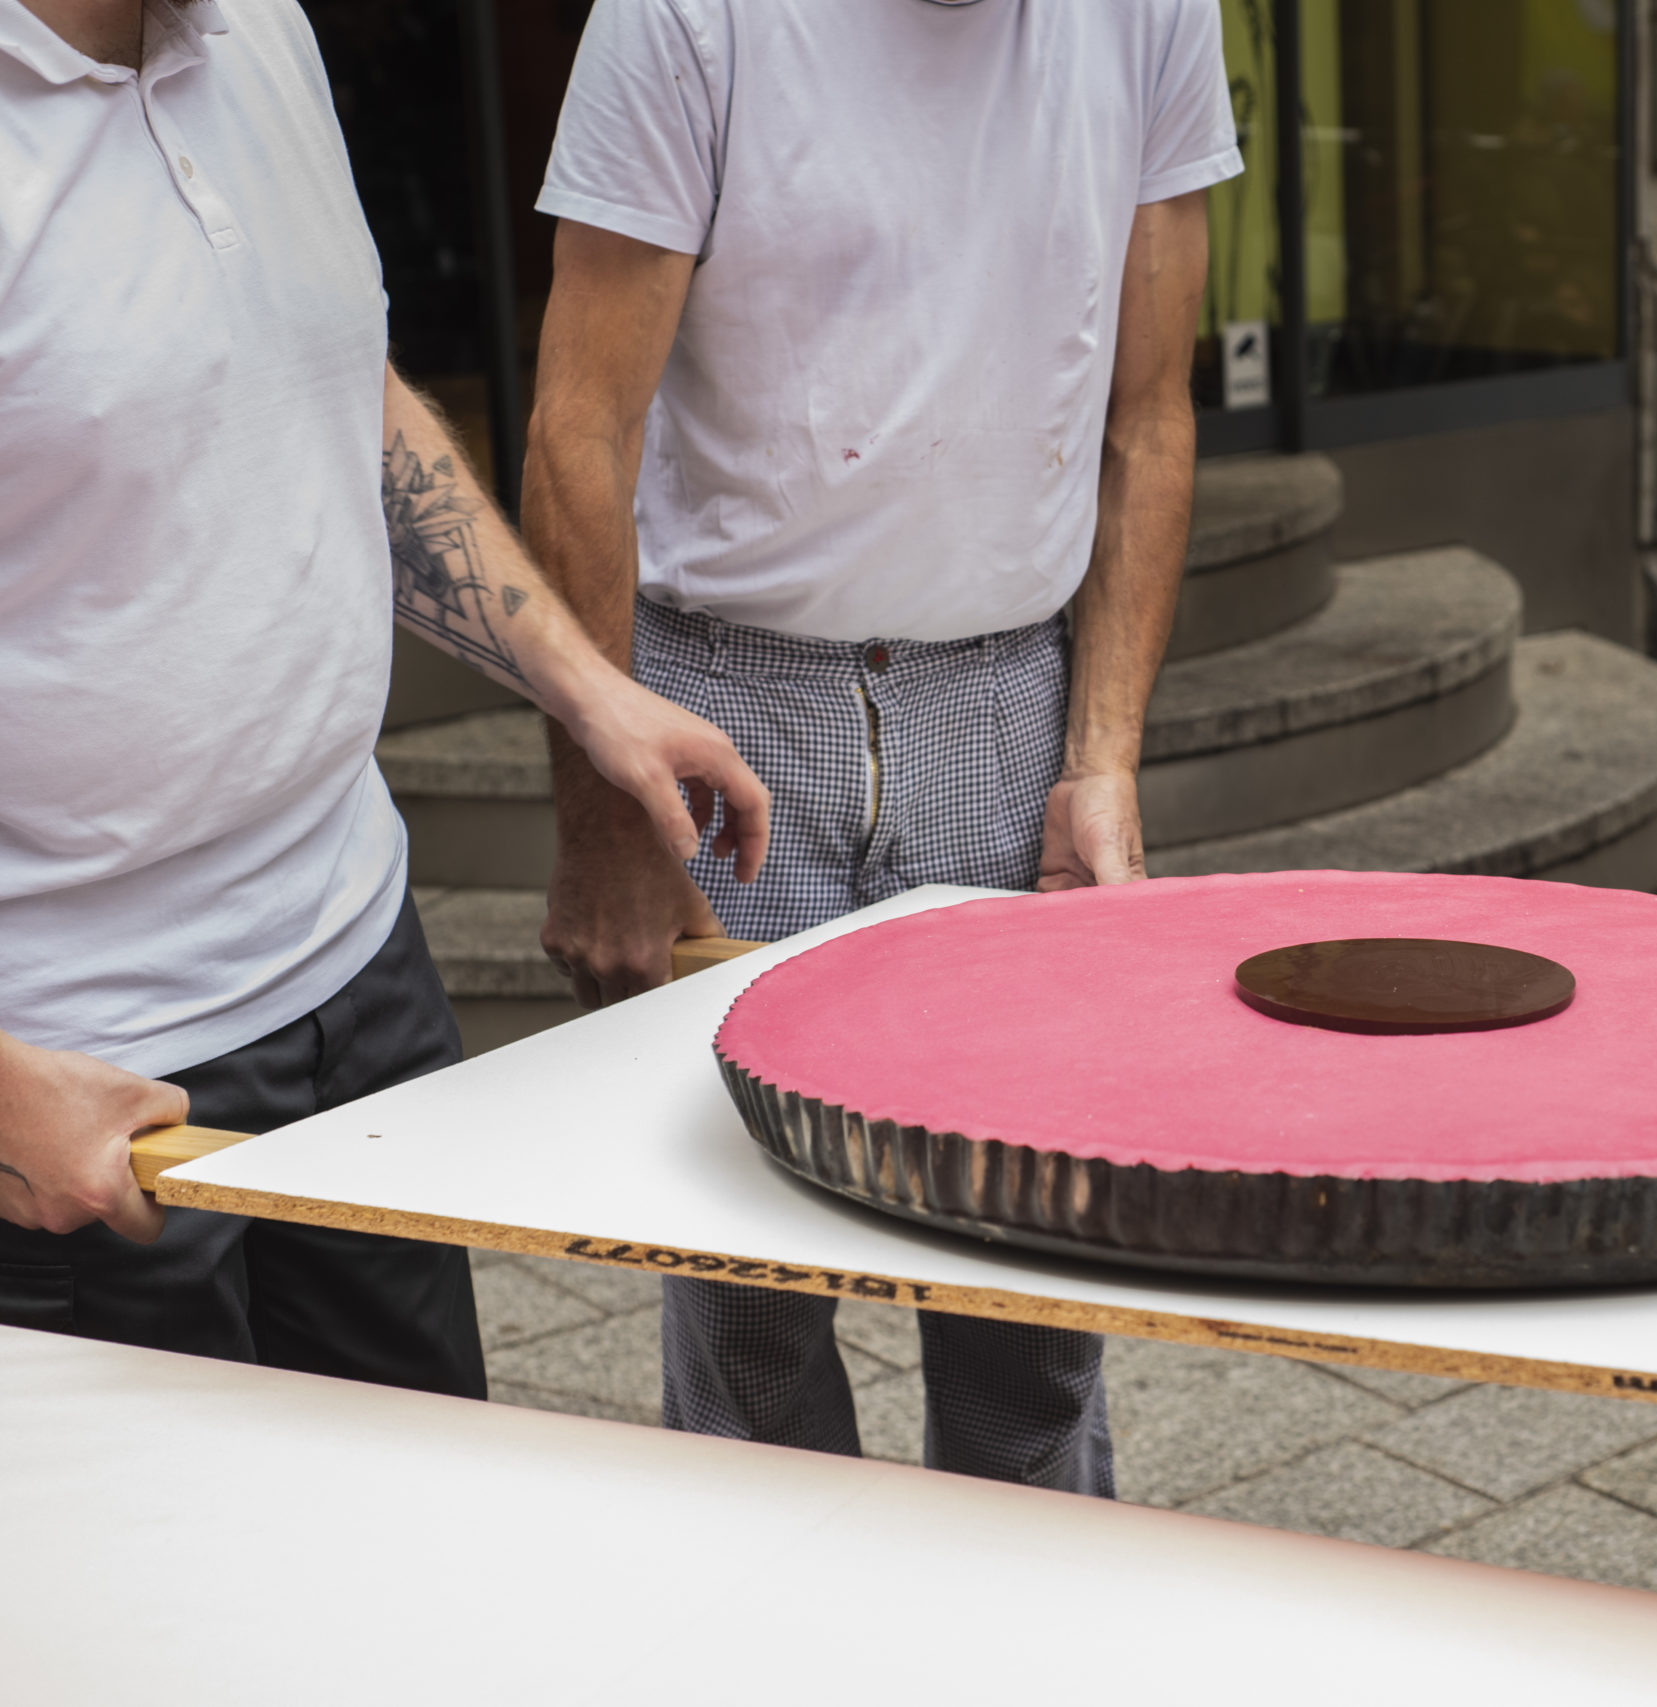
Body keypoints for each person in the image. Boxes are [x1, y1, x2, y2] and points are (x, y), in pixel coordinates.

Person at [0, 0, 768, 1394]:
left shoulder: (259, 31)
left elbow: (349, 391)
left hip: (357, 962)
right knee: (151, 1598)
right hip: (76, 1065)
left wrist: (585, 685)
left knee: (405, 1539)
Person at [524, 0, 1239, 1490]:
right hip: (733, 693)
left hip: (1003, 690)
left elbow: (1147, 413)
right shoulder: (686, 17)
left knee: (1028, 1287)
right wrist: (604, 822)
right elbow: (581, 427)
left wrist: (1101, 750)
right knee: (749, 1300)